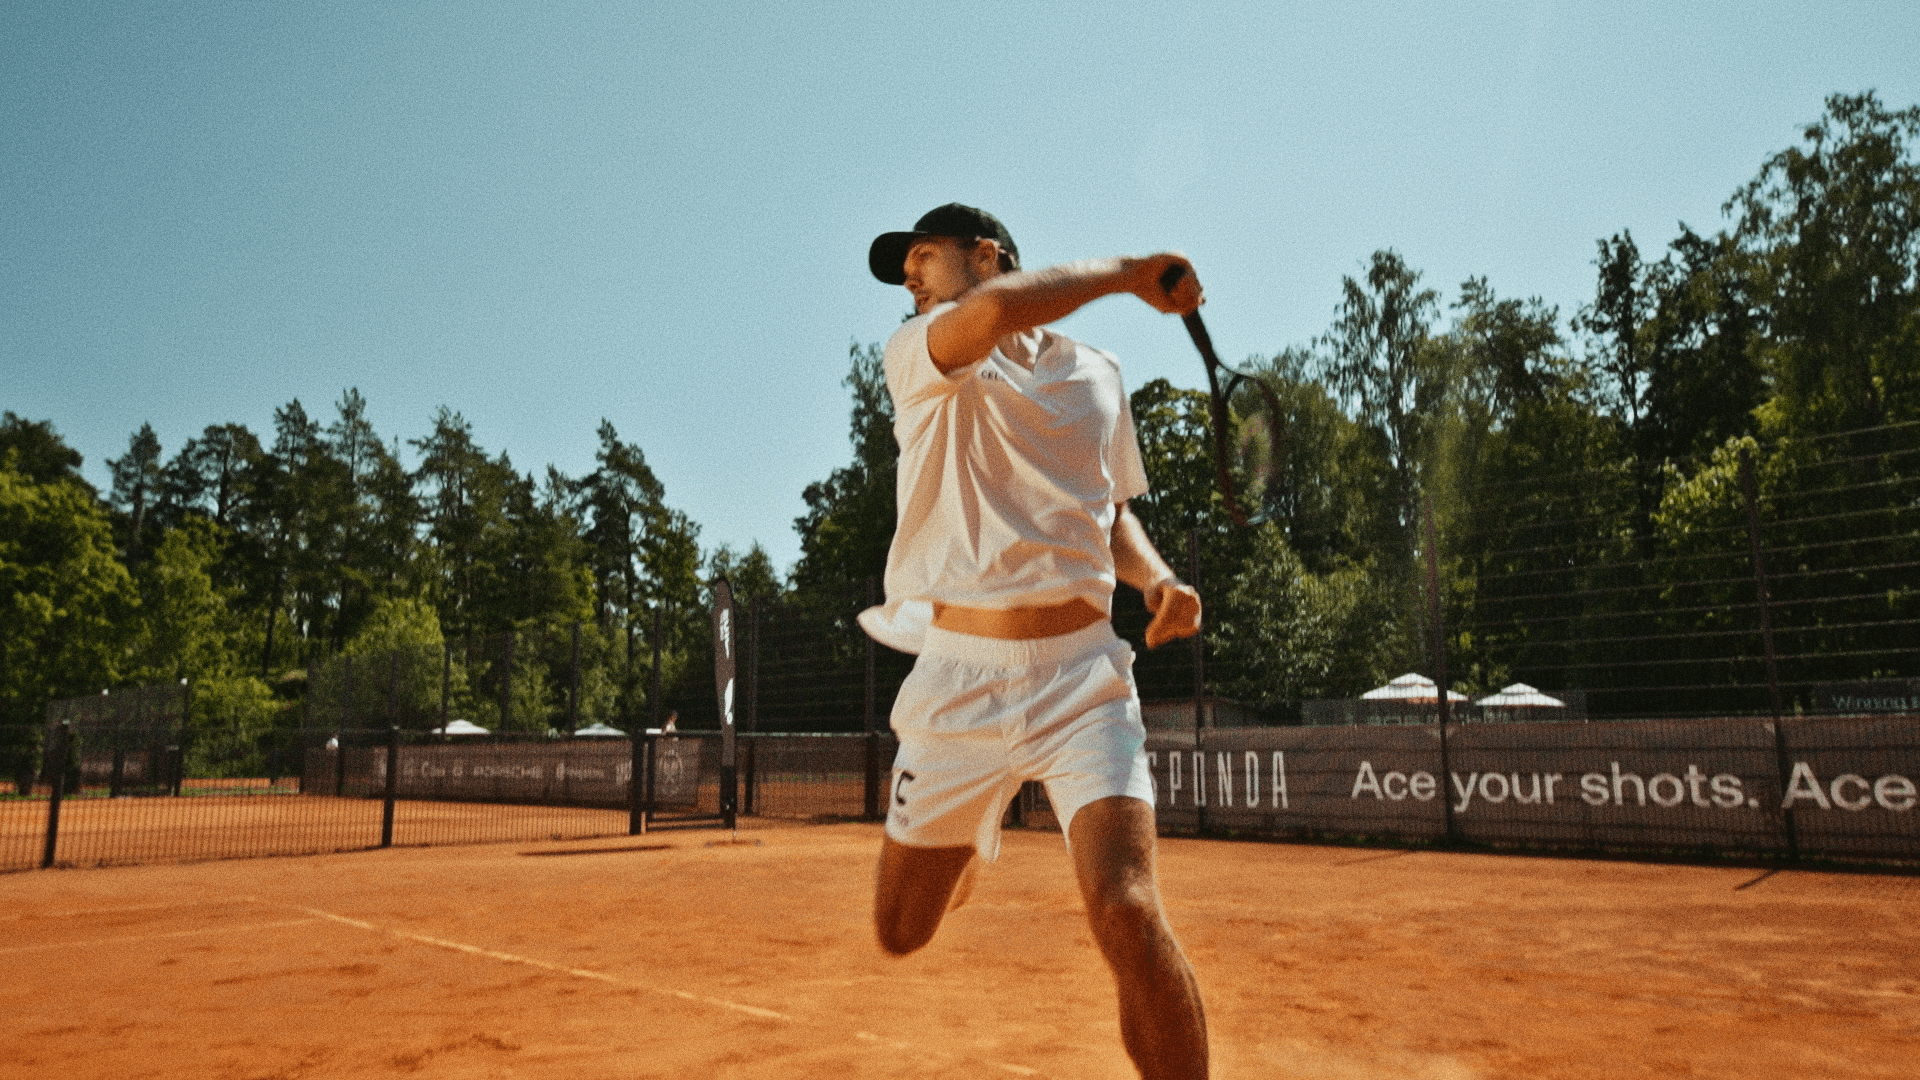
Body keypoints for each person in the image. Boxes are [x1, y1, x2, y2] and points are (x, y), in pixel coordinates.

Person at [860, 203, 1209, 1079]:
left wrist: (1158, 581)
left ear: (986, 254)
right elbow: (994, 314)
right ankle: (971, 833)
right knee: (900, 933)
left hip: (1083, 676)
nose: (912, 285)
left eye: (924, 263)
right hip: (957, 682)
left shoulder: (1097, 372)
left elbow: (1109, 513)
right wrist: (1132, 272)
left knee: (1128, 912)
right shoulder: (921, 350)